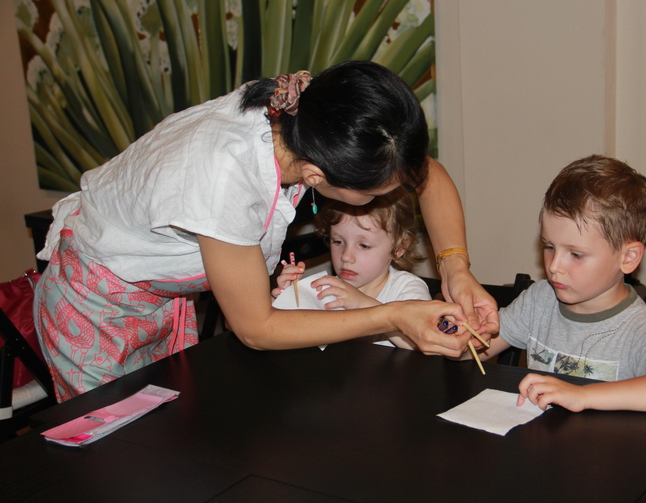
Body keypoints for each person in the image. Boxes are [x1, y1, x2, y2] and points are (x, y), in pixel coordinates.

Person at [34, 61, 497, 402]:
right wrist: (394, 316)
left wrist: (456, 270)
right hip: (97, 304)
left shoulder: (312, 123)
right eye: (381, 192)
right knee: (116, 450)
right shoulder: (225, 180)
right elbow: (256, 327)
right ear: (316, 178)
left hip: (159, 296)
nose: (396, 193)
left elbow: (428, 176)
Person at [470, 155, 646, 412]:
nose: (554, 266)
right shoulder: (539, 300)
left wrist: (582, 395)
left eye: (576, 254)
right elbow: (474, 350)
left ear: (628, 258)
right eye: (549, 247)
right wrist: (456, 334)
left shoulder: (641, 328)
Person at [274, 186, 430, 348]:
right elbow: (286, 334)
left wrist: (362, 304)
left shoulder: (407, 290)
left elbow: (423, 344)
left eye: (364, 245)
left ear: (399, 248)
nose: (346, 256)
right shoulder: (326, 289)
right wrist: (286, 300)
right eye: (338, 241)